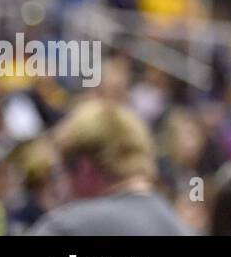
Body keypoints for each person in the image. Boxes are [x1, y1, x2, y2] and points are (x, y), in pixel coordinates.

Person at [26, 99, 190, 235]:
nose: (62, 191)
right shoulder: (182, 228)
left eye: (60, 173)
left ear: (84, 167)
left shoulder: (68, 228)